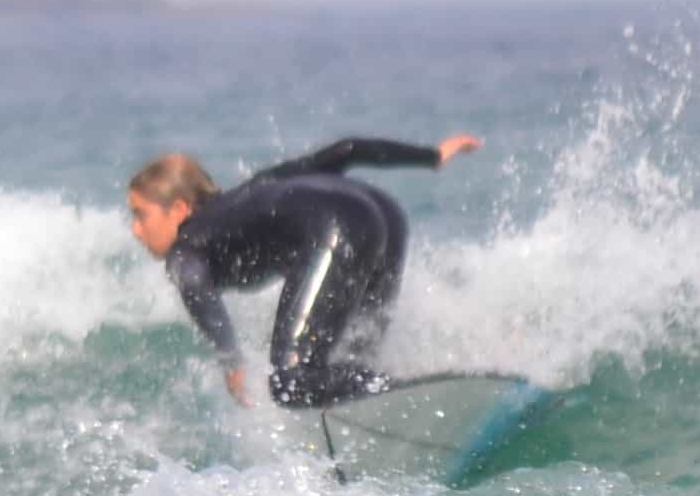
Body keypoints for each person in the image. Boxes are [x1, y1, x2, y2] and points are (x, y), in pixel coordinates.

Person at [127, 134, 482, 409]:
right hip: (384, 215)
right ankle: (424, 393)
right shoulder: (254, 190)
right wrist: (433, 157)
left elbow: (192, 282)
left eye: (140, 215)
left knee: (291, 381)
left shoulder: (187, 244)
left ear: (178, 209)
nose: (135, 230)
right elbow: (348, 150)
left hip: (339, 227)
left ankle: (423, 396)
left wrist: (231, 359)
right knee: (350, 363)